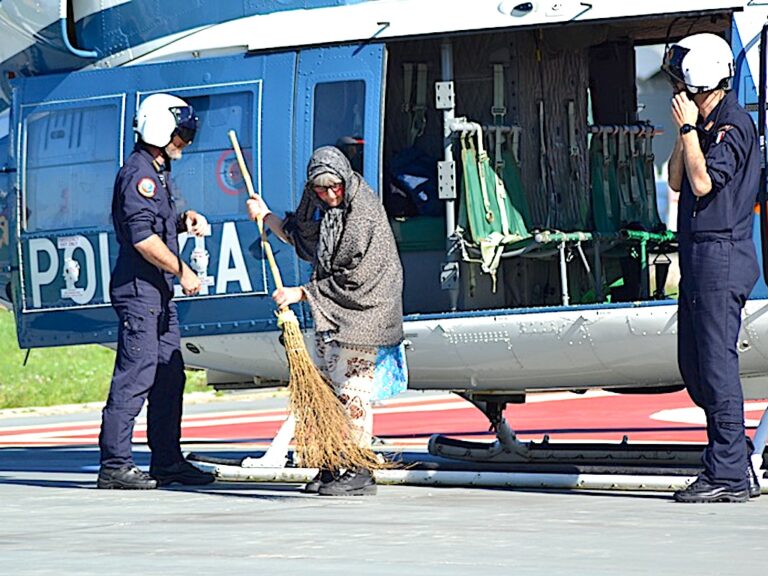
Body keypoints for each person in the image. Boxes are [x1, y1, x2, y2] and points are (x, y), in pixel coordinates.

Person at [246, 146, 407, 496]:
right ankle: (334, 462)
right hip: (335, 314)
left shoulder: (361, 212)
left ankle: (359, 468)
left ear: (344, 180)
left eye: (334, 187)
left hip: (366, 312)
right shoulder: (329, 209)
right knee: (329, 389)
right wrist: (267, 216)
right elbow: (308, 244)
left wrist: (301, 293)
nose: (329, 194)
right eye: (320, 190)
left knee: (352, 390)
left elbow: (355, 276)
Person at [97, 93, 215, 489]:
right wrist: (183, 270)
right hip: (140, 292)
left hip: (158, 294)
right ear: (160, 130)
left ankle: (167, 460)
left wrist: (185, 220)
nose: (185, 141)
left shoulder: (158, 172)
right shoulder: (139, 175)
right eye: (181, 133)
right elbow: (143, 239)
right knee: (137, 374)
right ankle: (115, 464)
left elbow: (159, 225)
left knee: (169, 375)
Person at [663, 33, 761, 503]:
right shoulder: (702, 126)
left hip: (723, 254)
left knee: (718, 366)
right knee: (696, 367)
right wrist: (686, 132)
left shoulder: (734, 126)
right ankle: (733, 455)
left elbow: (702, 184)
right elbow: (676, 178)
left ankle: (728, 473)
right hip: (699, 254)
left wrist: (688, 131)